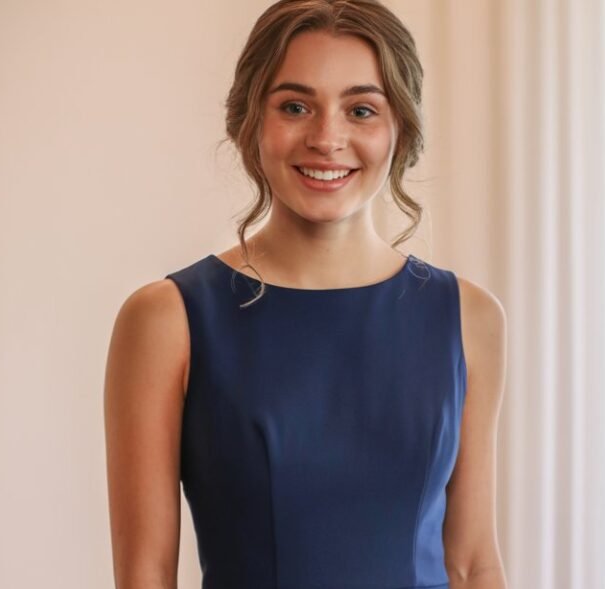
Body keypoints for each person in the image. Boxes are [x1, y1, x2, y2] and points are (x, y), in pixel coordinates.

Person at [104, 1, 508, 588]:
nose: (327, 138)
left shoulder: (469, 317)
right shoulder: (168, 319)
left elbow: (473, 564)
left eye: (361, 109)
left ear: (401, 127)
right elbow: (145, 576)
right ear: (250, 121)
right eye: (295, 106)